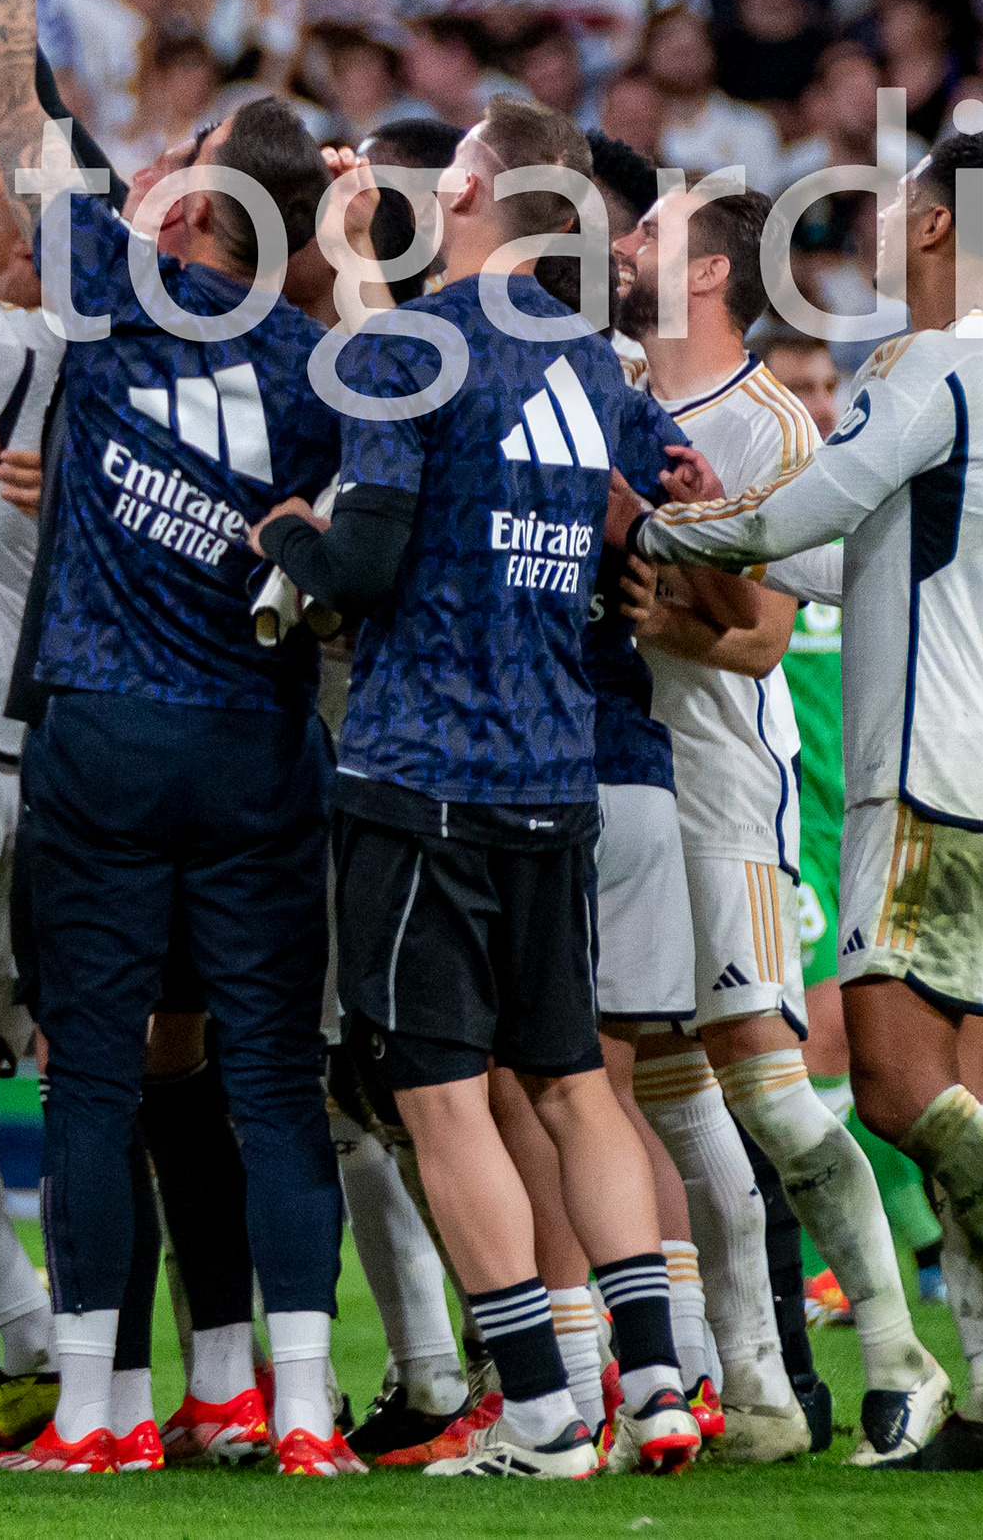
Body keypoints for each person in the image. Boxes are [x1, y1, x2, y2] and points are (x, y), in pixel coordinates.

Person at [638, 131, 983, 1474]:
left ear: (938, 224)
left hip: (928, 770)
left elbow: (798, 517)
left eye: (895, 202)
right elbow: (865, 555)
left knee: (887, 1082)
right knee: (955, 1091)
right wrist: (738, 515)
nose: (878, 221)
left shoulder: (928, 364)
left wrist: (651, 524)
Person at [0, 0, 359, 1475]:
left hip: (108, 735)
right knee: (269, 1080)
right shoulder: (333, 366)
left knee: (96, 1078)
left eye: (175, 164)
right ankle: (304, 1412)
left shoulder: (118, 289)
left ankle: (98, 1417)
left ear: (190, 209)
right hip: (258, 749)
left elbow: (9, 97)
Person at [256, 97, 704, 1481]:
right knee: (573, 1083)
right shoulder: (593, 358)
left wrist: (287, 534)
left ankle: (542, 1410)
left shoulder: (413, 345)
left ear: (464, 189)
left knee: (445, 1096)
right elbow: (660, 502)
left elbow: (365, 565)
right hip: (556, 772)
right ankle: (659, 1381)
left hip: (424, 769)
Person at [609, 184, 884, 1467]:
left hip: (725, 782)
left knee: (766, 1090)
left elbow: (766, 636)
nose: (625, 244)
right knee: (670, 1093)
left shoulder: (772, 421)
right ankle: (756, 1385)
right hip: (626, 779)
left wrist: (658, 600)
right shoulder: (615, 381)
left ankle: (895, 1345)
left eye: (652, 232)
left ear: (712, 271)